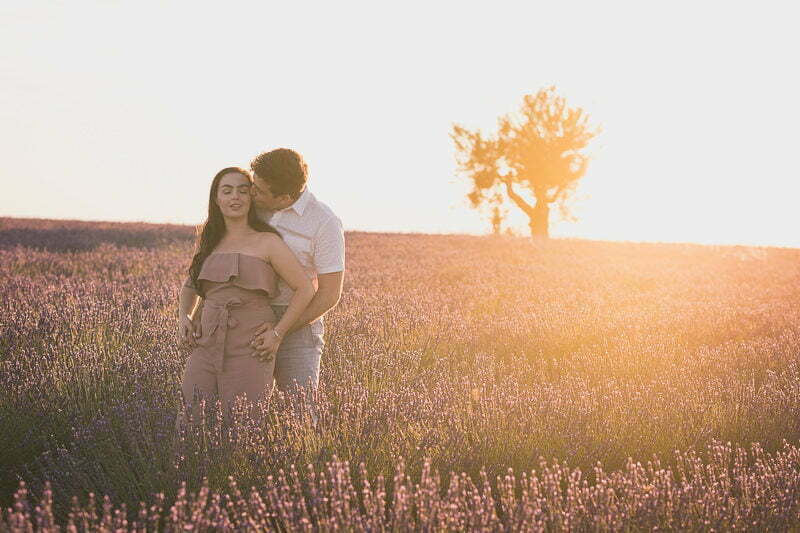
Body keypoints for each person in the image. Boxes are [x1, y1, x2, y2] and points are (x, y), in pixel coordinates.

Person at [176, 167, 315, 425]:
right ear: (216, 199)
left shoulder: (268, 242)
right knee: (190, 421)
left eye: (243, 190)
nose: (235, 197)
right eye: (226, 191)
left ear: (252, 197)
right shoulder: (208, 240)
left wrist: (278, 332)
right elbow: (190, 287)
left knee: (244, 426)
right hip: (206, 341)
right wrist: (185, 316)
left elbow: (305, 288)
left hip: (252, 344)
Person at [248, 148, 345, 412]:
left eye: (259, 189)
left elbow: (329, 294)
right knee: (243, 411)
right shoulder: (250, 207)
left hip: (300, 325)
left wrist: (280, 331)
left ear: (284, 198)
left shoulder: (324, 222)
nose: (251, 192)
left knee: (300, 414)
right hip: (249, 319)